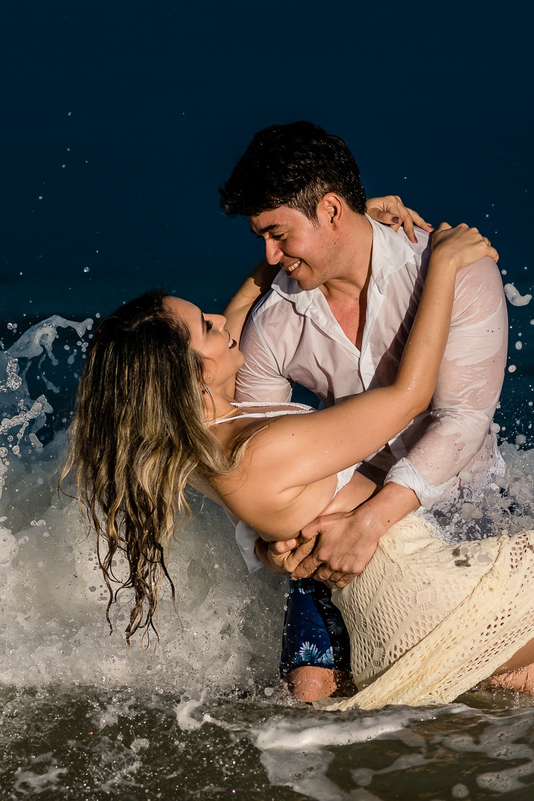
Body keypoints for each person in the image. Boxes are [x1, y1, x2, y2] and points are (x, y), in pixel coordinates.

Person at [63, 224, 534, 711]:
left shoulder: (202, 449)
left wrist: (332, 240)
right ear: (189, 378)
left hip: (384, 625)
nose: (227, 321)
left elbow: (234, 315)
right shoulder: (266, 450)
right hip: (426, 600)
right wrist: (442, 267)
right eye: (209, 329)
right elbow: (407, 396)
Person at [218, 121, 509, 701]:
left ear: (330, 209)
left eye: (278, 234)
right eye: (261, 240)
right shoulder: (275, 322)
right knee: (309, 692)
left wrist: (372, 523)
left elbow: (462, 419)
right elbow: (246, 447)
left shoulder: (454, 263)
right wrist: (266, 545)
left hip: (463, 506)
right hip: (341, 514)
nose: (271, 257)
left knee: (504, 691)